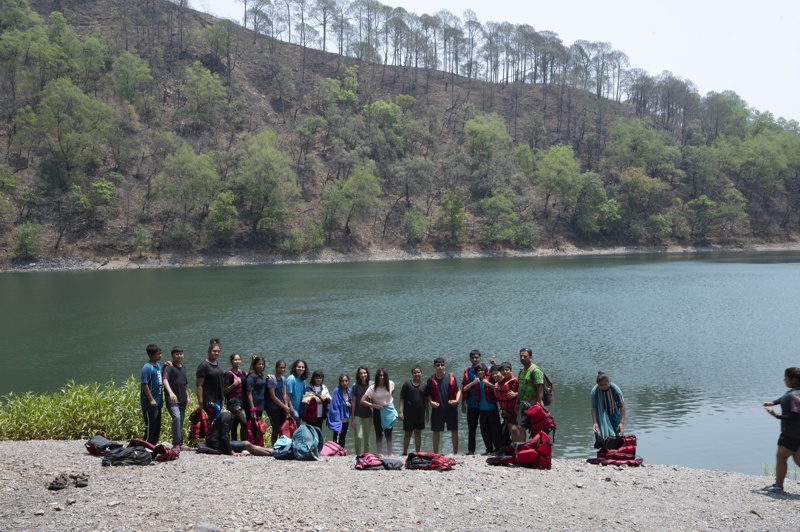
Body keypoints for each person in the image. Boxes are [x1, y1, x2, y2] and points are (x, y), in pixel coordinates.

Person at [762, 367, 800, 493]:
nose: (784, 380)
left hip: (790, 434)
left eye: (786, 378)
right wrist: (772, 402)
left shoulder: (793, 396)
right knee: (798, 460)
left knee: (781, 458)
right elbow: (784, 399)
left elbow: (794, 416)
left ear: (793, 380)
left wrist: (777, 415)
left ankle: (778, 486)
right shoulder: (794, 393)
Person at [426, 357, 461, 454]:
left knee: (454, 431)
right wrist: (431, 402)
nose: (440, 367)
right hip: (437, 409)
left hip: (451, 408)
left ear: (445, 366)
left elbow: (458, 390)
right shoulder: (431, 379)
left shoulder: (451, 376)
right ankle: (436, 453)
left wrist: (456, 400)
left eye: (442, 365)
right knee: (436, 432)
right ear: (434, 367)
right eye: (438, 365)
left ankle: (456, 453)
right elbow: (427, 394)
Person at [204, 411, 272, 456]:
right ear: (231, 407)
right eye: (236, 406)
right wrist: (231, 452)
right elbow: (225, 436)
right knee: (248, 445)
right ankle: (274, 453)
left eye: (239, 405)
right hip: (217, 444)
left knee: (247, 443)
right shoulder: (227, 416)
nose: (239, 407)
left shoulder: (228, 415)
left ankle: (273, 451)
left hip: (219, 442)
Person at [361, 368, 396, 455]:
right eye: (380, 375)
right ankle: (380, 453)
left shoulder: (391, 384)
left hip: (388, 411)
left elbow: (392, 394)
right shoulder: (372, 388)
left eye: (383, 375)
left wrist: (388, 403)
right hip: (377, 411)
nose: (382, 377)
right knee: (379, 433)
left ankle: (389, 454)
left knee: (389, 434)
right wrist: (373, 405)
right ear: (377, 376)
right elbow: (362, 401)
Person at [162, 345, 189, 450]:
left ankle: (180, 443)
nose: (179, 356)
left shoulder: (183, 367)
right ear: (172, 355)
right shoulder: (169, 367)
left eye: (181, 354)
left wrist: (188, 397)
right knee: (176, 418)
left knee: (181, 420)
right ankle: (176, 444)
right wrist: (171, 393)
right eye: (176, 354)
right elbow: (165, 380)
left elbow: (184, 384)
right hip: (172, 399)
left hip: (182, 399)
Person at [473, 364, 502, 454]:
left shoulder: (491, 379)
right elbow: (465, 389)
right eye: (478, 371)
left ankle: (498, 448)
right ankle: (489, 449)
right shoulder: (476, 381)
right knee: (484, 430)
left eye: (482, 370)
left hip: (492, 408)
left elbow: (496, 387)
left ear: (485, 371)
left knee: (495, 430)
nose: (480, 372)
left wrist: (487, 383)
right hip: (482, 410)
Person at [399, 365, 428, 455]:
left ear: (421, 373)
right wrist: (400, 411)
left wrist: (427, 413)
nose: (417, 374)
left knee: (418, 434)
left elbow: (426, 400)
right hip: (408, 414)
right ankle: (404, 452)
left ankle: (417, 452)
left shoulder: (424, 385)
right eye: (415, 372)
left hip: (420, 414)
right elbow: (402, 398)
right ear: (412, 374)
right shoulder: (407, 384)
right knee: (407, 434)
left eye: (418, 372)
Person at [515, 348, 543, 441]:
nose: (522, 358)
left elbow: (539, 388)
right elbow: (520, 388)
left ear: (530, 357)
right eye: (521, 356)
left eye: (525, 356)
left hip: (533, 404)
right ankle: (523, 448)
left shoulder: (535, 371)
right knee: (521, 427)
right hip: (523, 405)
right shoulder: (521, 371)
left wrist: (538, 405)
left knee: (535, 429)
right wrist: (517, 403)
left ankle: (536, 450)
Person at [590, 371, 626, 440]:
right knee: (605, 436)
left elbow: (622, 407)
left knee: (616, 434)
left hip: (614, 413)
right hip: (602, 416)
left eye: (605, 384)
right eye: (600, 384)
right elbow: (594, 408)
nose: (603, 386)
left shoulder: (615, 389)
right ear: (597, 384)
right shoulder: (595, 391)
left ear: (608, 382)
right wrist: (595, 422)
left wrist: (622, 423)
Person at [461, 349, 484, 455]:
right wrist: (463, 404)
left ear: (480, 358)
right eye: (473, 358)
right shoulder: (467, 371)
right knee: (472, 428)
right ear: (470, 359)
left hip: (484, 405)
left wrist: (495, 363)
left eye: (477, 357)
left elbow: (498, 375)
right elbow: (463, 388)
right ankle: (471, 450)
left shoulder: (485, 369)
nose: (475, 359)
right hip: (471, 404)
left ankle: (489, 448)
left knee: (486, 427)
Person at [196, 338, 225, 422]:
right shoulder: (204, 366)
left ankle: (211, 435)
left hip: (218, 398)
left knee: (216, 421)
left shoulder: (218, 363)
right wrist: (200, 402)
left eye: (218, 351)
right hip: (209, 400)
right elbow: (199, 385)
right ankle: (211, 435)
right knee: (215, 421)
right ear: (209, 351)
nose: (216, 353)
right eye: (214, 351)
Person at [140, 343, 163, 446]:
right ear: (150, 355)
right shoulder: (147, 367)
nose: (160, 355)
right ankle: (146, 445)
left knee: (156, 425)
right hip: (150, 403)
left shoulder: (158, 365)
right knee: (150, 425)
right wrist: (151, 399)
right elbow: (144, 385)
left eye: (160, 353)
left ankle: (153, 445)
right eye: (157, 354)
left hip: (158, 402)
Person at [266, 359, 292, 445]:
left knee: (282, 428)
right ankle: (274, 447)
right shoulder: (272, 380)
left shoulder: (283, 379)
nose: (282, 370)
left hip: (282, 408)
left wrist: (286, 408)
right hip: (273, 408)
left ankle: (281, 445)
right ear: (276, 368)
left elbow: (284, 394)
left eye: (284, 368)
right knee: (276, 428)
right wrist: (284, 406)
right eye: (280, 368)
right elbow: (273, 396)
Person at [495, 362, 522, 443]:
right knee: (511, 431)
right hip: (506, 412)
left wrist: (515, 394)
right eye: (503, 370)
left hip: (516, 410)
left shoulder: (516, 381)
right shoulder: (499, 383)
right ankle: (514, 448)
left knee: (515, 430)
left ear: (511, 371)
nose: (505, 371)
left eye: (507, 370)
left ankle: (518, 447)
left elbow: (523, 392)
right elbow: (498, 397)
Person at [224, 353, 248, 441]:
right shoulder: (229, 374)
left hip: (240, 402)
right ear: (231, 362)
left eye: (239, 360)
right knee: (244, 423)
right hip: (233, 403)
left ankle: (234, 443)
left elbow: (248, 375)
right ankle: (244, 443)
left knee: (234, 424)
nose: (238, 361)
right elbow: (224, 391)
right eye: (235, 360)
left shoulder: (240, 372)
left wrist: (253, 363)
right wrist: (234, 384)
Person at [351, 366, 373, 455]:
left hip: (369, 414)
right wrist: (352, 419)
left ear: (367, 374)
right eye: (361, 373)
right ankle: (358, 455)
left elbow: (375, 399)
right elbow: (353, 402)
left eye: (364, 373)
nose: (363, 375)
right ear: (358, 375)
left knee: (367, 438)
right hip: (358, 414)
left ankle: (366, 455)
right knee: (359, 436)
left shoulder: (372, 385)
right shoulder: (355, 386)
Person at [328, 374, 352, 446]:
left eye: (346, 381)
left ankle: (342, 451)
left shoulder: (350, 391)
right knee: (336, 436)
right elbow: (334, 405)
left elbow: (352, 403)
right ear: (339, 382)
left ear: (348, 381)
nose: (344, 383)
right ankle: (335, 450)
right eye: (342, 381)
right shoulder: (336, 391)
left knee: (343, 435)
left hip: (346, 417)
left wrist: (349, 405)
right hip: (338, 417)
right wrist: (344, 404)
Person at [246, 354, 267, 421]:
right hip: (253, 405)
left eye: (262, 364)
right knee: (251, 427)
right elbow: (249, 393)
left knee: (258, 427)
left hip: (260, 405)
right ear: (255, 365)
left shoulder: (261, 375)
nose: (261, 366)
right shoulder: (251, 377)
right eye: (259, 364)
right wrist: (252, 408)